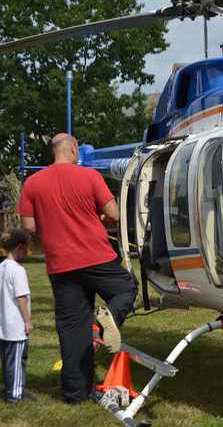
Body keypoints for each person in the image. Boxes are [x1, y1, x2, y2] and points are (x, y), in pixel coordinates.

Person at [17, 133, 137, 404]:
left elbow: (28, 227)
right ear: (73, 150)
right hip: (96, 257)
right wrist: (97, 216)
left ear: (54, 152)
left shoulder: (33, 183)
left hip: (61, 265)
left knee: (71, 328)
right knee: (126, 288)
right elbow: (115, 214)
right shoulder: (90, 176)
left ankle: (75, 394)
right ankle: (106, 322)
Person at [0, 229, 33, 403]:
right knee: (18, 361)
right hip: (16, 327)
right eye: (26, 248)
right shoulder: (18, 270)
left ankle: (10, 388)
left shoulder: (1, 267)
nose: (27, 252)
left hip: (3, 326)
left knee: (7, 362)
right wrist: (27, 321)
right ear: (19, 247)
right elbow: (21, 297)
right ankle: (16, 394)